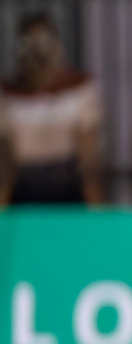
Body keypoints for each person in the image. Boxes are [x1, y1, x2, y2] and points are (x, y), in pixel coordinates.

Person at [0, 14, 104, 206]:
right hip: (23, 191)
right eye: (30, 45)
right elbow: (6, 161)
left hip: (66, 187)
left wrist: (95, 206)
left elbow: (88, 157)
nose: (38, 54)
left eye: (44, 44)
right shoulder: (9, 95)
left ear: (57, 47)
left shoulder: (77, 89)